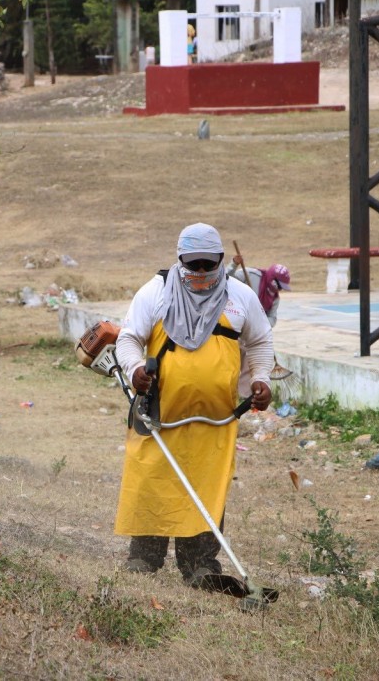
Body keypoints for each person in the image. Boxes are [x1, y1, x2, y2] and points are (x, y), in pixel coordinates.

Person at [113, 223, 274, 587]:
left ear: (220, 260)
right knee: (154, 480)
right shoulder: (155, 292)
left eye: (208, 265)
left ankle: (200, 566)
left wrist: (261, 379)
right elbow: (128, 339)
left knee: (206, 486)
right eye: (193, 264)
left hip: (214, 419)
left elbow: (261, 343)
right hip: (159, 414)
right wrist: (137, 368)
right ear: (179, 259)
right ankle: (144, 559)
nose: (200, 273)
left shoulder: (240, 297)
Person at [227, 257, 291, 328]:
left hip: (250, 330)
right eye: (280, 286)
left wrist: (260, 321)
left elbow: (272, 318)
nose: (280, 289)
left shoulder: (275, 298)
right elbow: (226, 279)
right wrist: (234, 264)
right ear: (273, 280)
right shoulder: (249, 274)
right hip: (231, 319)